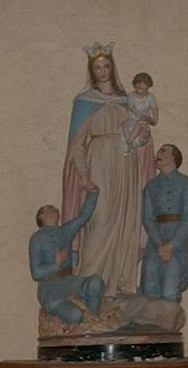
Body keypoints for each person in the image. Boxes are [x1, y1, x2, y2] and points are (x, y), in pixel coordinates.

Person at [61, 42, 154, 296]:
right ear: (92, 72)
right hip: (98, 162)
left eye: (106, 67)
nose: (102, 72)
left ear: (113, 69)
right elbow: (77, 145)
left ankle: (120, 286)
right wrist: (83, 174)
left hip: (127, 165)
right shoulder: (83, 102)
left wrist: (143, 138)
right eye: (97, 68)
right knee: (99, 219)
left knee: (126, 222)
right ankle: (89, 284)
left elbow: (143, 137)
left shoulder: (128, 101)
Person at [30, 182, 104, 327]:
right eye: (49, 209)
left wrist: (93, 193)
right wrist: (55, 264)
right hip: (51, 289)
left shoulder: (65, 231)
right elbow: (36, 273)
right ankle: (63, 320)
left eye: (54, 207)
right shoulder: (37, 238)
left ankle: (93, 320)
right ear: (41, 217)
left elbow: (83, 217)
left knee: (95, 283)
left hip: (69, 281)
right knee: (74, 315)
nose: (54, 209)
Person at [139, 144, 188, 303]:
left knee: (170, 289)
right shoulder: (151, 185)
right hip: (156, 239)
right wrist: (159, 244)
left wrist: (171, 246)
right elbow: (147, 217)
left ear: (173, 158)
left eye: (162, 151)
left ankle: (170, 323)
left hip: (176, 241)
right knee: (150, 285)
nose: (157, 154)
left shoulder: (185, 183)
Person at [122, 72, 158, 156]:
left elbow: (154, 108)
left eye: (146, 89)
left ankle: (130, 141)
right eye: (141, 89)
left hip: (142, 120)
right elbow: (131, 107)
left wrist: (155, 119)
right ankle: (127, 142)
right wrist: (139, 114)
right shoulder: (131, 95)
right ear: (135, 86)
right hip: (131, 119)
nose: (143, 91)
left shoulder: (150, 97)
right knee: (124, 125)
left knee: (139, 125)